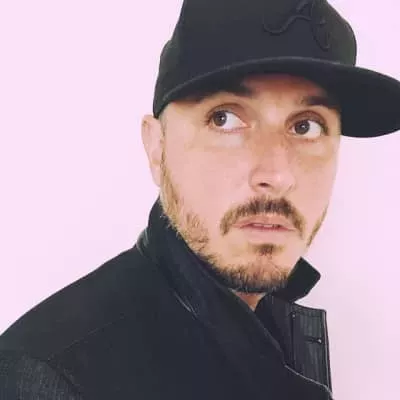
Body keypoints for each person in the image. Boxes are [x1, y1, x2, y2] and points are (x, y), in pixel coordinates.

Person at [0, 0, 399, 398]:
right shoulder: (46, 377)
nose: (277, 175)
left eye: (306, 126)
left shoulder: (275, 322)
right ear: (157, 148)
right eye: (224, 119)